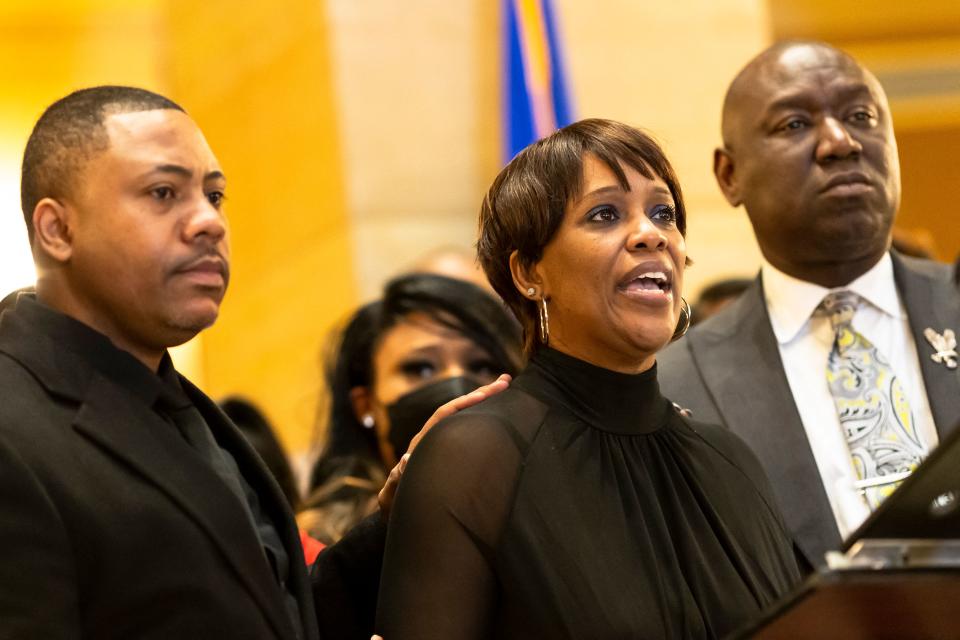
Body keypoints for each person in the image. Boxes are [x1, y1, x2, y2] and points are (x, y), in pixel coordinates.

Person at [0, 85, 509, 640]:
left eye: (214, 196)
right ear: (58, 229)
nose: (208, 223)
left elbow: (273, 613)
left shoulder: (168, 398)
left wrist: (400, 518)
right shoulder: (15, 424)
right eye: (163, 192)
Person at [376, 119, 800, 639]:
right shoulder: (475, 458)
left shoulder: (731, 462)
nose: (650, 234)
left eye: (663, 213)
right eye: (605, 214)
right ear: (529, 274)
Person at [658, 41, 960, 571]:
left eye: (861, 116)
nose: (840, 143)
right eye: (795, 124)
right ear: (729, 175)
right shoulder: (675, 387)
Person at [300, 273, 522, 544]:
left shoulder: (543, 514)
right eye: (422, 368)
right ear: (365, 405)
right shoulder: (316, 543)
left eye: (481, 366)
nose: (456, 384)